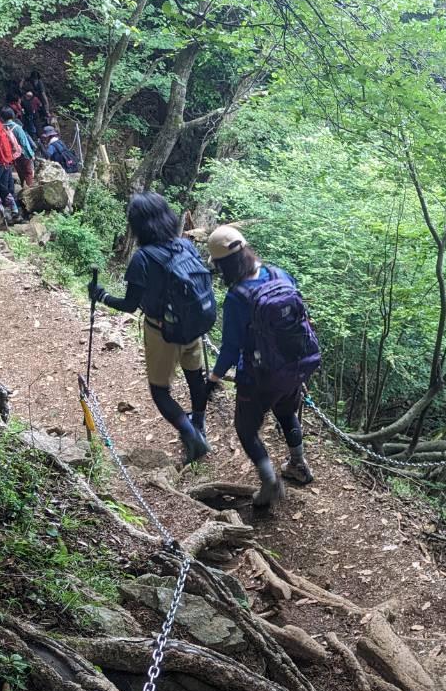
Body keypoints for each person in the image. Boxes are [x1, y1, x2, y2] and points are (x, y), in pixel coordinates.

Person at [88, 193, 216, 463]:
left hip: (162, 332)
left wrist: (100, 296)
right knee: (195, 377)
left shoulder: (142, 258)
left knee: (160, 390)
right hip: (193, 326)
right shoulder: (186, 246)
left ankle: (191, 435)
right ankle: (200, 425)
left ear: (138, 225)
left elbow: (129, 306)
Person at [206, 224, 320, 506]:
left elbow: (231, 348)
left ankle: (270, 482)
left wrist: (214, 377)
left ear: (223, 265)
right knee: (285, 410)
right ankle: (299, 464)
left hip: (259, 376)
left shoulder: (237, 296)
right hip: (295, 366)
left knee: (245, 428)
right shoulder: (279, 274)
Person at [0, 107, 36, 187]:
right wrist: (31, 154)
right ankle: (29, 190)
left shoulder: (1, 128)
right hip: (22, 153)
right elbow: (24, 142)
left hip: (11, 155)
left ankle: (23, 187)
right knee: (28, 172)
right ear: (12, 115)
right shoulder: (17, 128)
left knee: (20, 172)